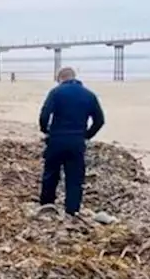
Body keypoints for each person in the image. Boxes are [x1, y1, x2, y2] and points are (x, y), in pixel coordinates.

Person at [38, 66, 104, 216]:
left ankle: (47, 205)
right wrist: (86, 135)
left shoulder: (56, 93)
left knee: (51, 173)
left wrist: (46, 130)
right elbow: (100, 120)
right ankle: (72, 210)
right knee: (75, 177)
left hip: (56, 139)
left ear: (60, 79)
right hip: (76, 141)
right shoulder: (89, 95)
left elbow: (44, 115)